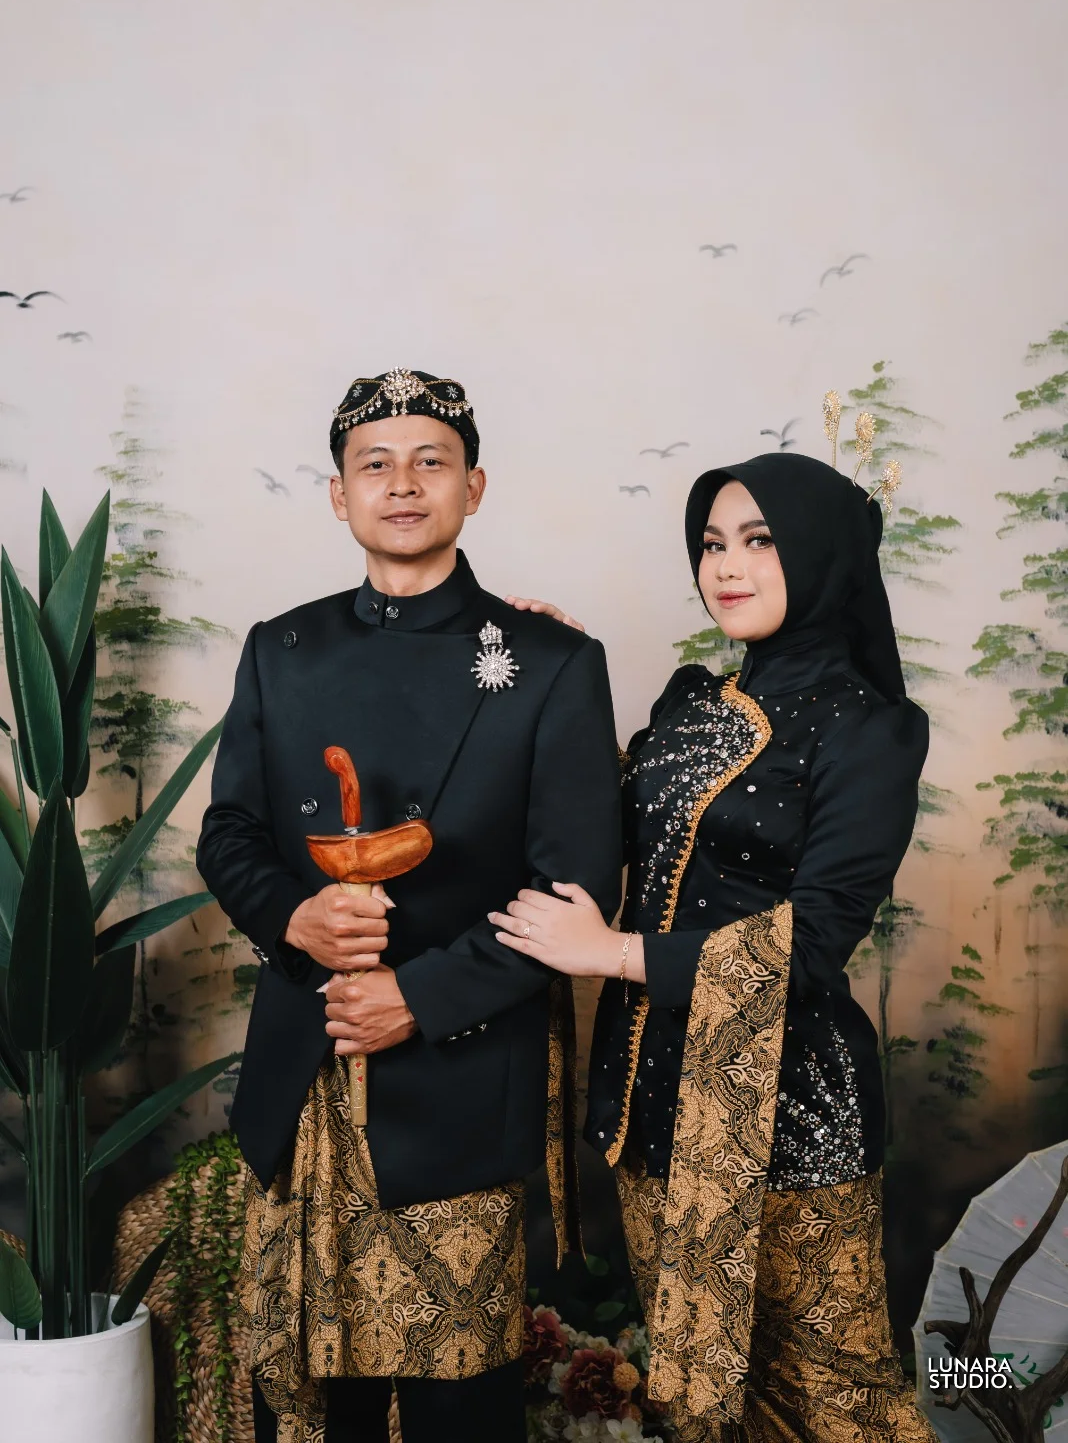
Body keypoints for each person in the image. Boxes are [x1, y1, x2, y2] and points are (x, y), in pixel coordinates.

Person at [197, 369, 621, 1443]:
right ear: (338, 495)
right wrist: (294, 917)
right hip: (303, 1076)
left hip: (460, 1079)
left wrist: (418, 998)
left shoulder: (553, 662)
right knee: (306, 1407)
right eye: (374, 464)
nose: (402, 484)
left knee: (457, 1412)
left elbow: (576, 889)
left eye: (430, 461)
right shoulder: (280, 648)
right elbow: (229, 832)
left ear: (473, 487)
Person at [492, 449, 940, 1441]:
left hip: (789, 1112)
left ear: (819, 553)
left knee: (836, 1401)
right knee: (705, 1406)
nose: (727, 566)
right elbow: (613, 830)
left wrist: (610, 955)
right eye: (711, 543)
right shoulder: (693, 704)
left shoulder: (869, 730)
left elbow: (814, 942)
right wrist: (561, 683)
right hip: (653, 1099)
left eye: (760, 540)